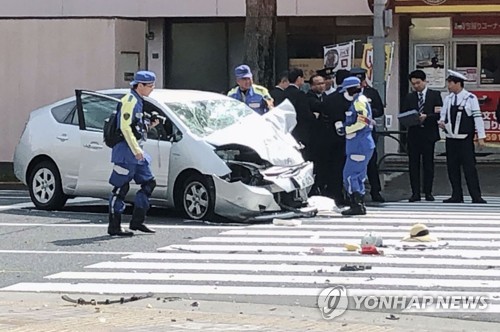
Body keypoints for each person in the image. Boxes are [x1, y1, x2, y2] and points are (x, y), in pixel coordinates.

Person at [108, 70, 159, 236]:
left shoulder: (138, 100)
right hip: (126, 152)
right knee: (120, 187)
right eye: (150, 86)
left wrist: (149, 125)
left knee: (149, 183)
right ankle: (114, 226)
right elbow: (124, 127)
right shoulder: (129, 100)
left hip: (136, 152)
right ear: (140, 85)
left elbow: (135, 127)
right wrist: (136, 150)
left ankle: (137, 222)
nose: (152, 88)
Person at [439, 70, 487, 204]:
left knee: (469, 168)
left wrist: (481, 136)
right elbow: (443, 115)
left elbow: (477, 118)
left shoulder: (470, 98)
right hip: (451, 138)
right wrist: (441, 123)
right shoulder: (448, 99)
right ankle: (456, 195)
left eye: (450, 83)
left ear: (458, 83)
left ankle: (476, 196)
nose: (448, 86)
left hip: (465, 139)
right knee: (452, 168)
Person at [402, 70, 443, 202]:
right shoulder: (409, 97)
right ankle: (415, 192)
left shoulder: (435, 95)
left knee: (428, 164)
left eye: (418, 83)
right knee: (413, 164)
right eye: (413, 84)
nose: (416, 86)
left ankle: (428, 192)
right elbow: (403, 113)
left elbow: (439, 113)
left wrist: (427, 117)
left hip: (428, 133)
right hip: (414, 134)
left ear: (425, 81)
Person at [339, 76, 375, 215]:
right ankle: (359, 204)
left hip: (358, 144)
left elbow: (362, 122)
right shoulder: (361, 100)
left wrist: (345, 129)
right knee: (359, 175)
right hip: (361, 143)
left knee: (350, 175)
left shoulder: (359, 102)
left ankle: (356, 205)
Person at [350, 67, 385, 202]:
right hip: (352, 133)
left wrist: (367, 114)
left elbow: (379, 110)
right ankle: (354, 192)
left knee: (371, 162)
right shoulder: (348, 94)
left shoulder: (371, 93)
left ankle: (375, 191)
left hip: (367, 133)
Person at [320, 70, 351, 206]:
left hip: (330, 138)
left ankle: (335, 194)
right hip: (349, 137)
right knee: (348, 167)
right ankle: (349, 195)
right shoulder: (350, 98)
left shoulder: (329, 98)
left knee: (334, 167)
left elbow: (324, 116)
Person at [284, 68, 315, 161]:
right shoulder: (300, 94)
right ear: (298, 79)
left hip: (285, 131)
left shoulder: (282, 93)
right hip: (300, 131)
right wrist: (314, 116)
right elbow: (305, 113)